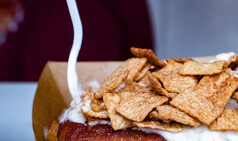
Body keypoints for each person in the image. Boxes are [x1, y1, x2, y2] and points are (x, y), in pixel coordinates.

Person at [0, 0, 154, 81]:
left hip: (100, 97)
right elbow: (12, 62)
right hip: (31, 99)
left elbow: (141, 49)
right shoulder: (32, 7)